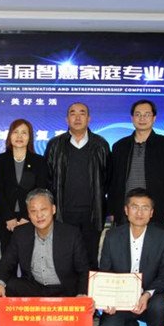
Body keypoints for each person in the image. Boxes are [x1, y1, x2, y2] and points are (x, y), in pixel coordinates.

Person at [97, 188, 164, 326]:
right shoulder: (112, 237)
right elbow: (105, 271)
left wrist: (147, 295)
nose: (139, 213)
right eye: (134, 207)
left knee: (160, 306)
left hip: (150, 298)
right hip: (121, 298)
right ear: (126, 210)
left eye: (145, 208)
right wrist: (108, 299)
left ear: (151, 212)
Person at [45, 102, 110, 270]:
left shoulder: (101, 144)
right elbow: (48, 179)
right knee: (65, 258)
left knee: (90, 258)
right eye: (73, 113)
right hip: (63, 213)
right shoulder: (55, 145)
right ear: (67, 119)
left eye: (82, 113)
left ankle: (87, 287)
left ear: (89, 118)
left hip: (92, 213)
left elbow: (107, 178)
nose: (78, 117)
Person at [0, 188, 89, 298]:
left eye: (43, 209)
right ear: (28, 214)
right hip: (34, 287)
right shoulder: (21, 233)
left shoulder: (71, 234)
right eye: (33, 211)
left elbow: (83, 270)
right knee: (7, 285)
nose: (39, 215)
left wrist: (82, 293)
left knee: (82, 293)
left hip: (64, 289)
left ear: (53, 209)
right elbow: (5, 263)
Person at [108, 99, 164, 231]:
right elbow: (113, 181)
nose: (142, 118)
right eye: (138, 114)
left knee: (155, 243)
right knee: (124, 243)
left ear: (154, 118)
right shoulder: (120, 146)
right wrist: (112, 209)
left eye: (147, 114)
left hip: (157, 209)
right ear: (132, 118)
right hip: (126, 210)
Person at [0, 118, 48, 256]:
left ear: (30, 137)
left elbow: (40, 191)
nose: (19, 136)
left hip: (31, 217)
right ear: (9, 135)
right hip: (7, 218)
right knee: (7, 257)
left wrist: (26, 217)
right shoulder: (1, 160)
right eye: (15, 132)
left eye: (24, 133)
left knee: (29, 259)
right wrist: (8, 217)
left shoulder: (39, 161)